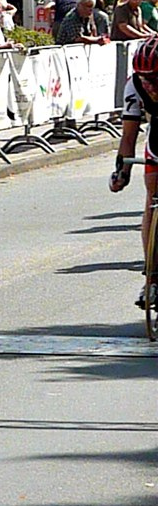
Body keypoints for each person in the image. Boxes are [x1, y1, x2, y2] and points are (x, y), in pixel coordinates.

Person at [110, 37, 158, 310]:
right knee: (153, 194)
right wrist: (122, 171)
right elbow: (129, 135)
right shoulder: (135, 84)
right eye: (144, 78)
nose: (149, 85)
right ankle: (151, 277)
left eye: (155, 78)